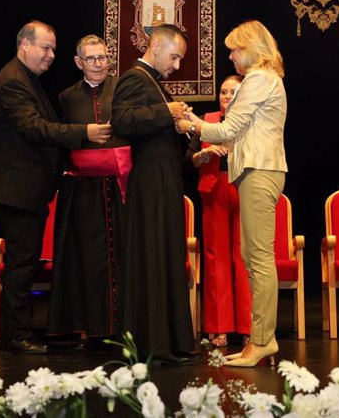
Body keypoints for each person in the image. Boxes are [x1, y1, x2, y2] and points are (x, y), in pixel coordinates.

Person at [0, 20, 112, 354]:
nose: (51, 55)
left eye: (53, 49)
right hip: (17, 188)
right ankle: (15, 335)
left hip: (25, 188)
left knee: (25, 262)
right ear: (25, 44)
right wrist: (85, 132)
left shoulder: (27, 79)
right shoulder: (13, 82)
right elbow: (35, 128)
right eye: (45, 47)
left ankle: (19, 331)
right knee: (22, 264)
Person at [176, 20, 287, 367]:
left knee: (258, 260)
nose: (230, 55)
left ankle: (262, 341)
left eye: (235, 49)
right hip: (257, 170)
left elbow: (228, 128)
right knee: (254, 258)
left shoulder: (258, 79)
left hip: (258, 170)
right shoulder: (267, 79)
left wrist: (190, 122)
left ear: (251, 48)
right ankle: (259, 339)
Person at [111, 23, 199, 366]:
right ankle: (152, 344)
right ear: (157, 45)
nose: (176, 65)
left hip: (162, 179)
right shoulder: (135, 77)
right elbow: (122, 121)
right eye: (174, 56)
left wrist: (176, 122)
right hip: (149, 182)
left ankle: (168, 342)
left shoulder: (153, 82)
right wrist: (168, 112)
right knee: (152, 257)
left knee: (165, 256)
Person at [46, 35, 130, 345]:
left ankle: (123, 326)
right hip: (82, 191)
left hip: (120, 187)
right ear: (79, 62)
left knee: (122, 256)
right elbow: (58, 137)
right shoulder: (67, 97)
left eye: (103, 58)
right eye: (92, 59)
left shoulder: (122, 88)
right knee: (87, 259)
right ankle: (89, 327)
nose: (99, 64)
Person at [184, 75, 251, 349]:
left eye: (232, 92)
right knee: (215, 259)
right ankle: (219, 327)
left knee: (244, 258)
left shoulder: (250, 119)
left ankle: (250, 328)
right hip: (213, 191)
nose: (226, 96)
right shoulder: (206, 120)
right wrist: (206, 153)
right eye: (223, 92)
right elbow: (189, 159)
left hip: (243, 188)